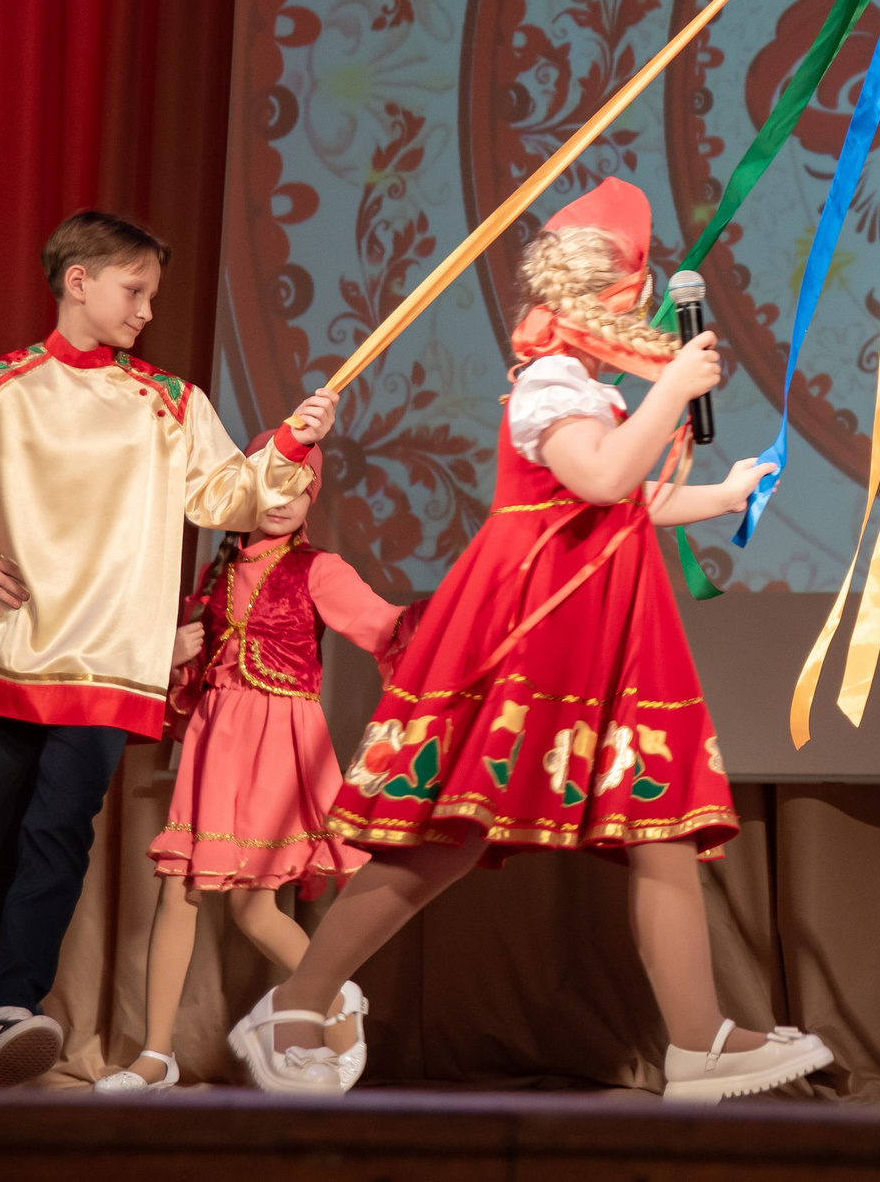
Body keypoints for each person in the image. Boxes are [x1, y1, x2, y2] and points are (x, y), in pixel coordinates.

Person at [228, 179, 830, 1102]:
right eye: (640, 289)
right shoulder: (550, 383)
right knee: (448, 832)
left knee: (659, 822)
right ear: (609, 295)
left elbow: (624, 495)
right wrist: (671, 388)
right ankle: (298, 1002)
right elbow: (601, 477)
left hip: (606, 633)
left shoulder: (584, 389)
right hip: (533, 631)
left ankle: (700, 1039)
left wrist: (725, 493)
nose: (649, 310)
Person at [0, 210, 336, 1089]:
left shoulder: (171, 402)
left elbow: (228, 495)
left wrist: (290, 439)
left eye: (153, 295)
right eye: (135, 291)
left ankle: (8, 1003)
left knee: (57, 831)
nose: (147, 311)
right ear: (78, 281)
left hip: (111, 659)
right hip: (11, 646)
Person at [95, 442, 422, 1095]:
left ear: (312, 501)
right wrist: (171, 653)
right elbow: (187, 676)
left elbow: (386, 626)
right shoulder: (214, 574)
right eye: (271, 483)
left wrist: (457, 618)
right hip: (216, 740)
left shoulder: (318, 568)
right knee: (183, 888)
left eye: (299, 487)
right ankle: (156, 1055)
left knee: (252, 906)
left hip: (280, 741)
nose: (283, 499)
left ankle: (336, 1000)